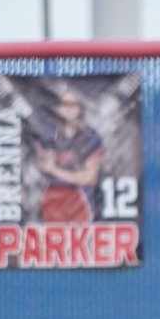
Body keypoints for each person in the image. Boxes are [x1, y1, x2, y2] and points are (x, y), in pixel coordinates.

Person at [34, 86, 104, 223]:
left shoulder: (91, 137)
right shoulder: (49, 136)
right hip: (52, 199)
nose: (68, 109)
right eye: (64, 104)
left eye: (72, 104)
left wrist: (54, 170)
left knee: (81, 235)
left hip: (81, 199)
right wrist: (46, 162)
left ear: (80, 108)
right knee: (52, 235)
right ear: (57, 108)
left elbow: (89, 178)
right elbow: (43, 167)